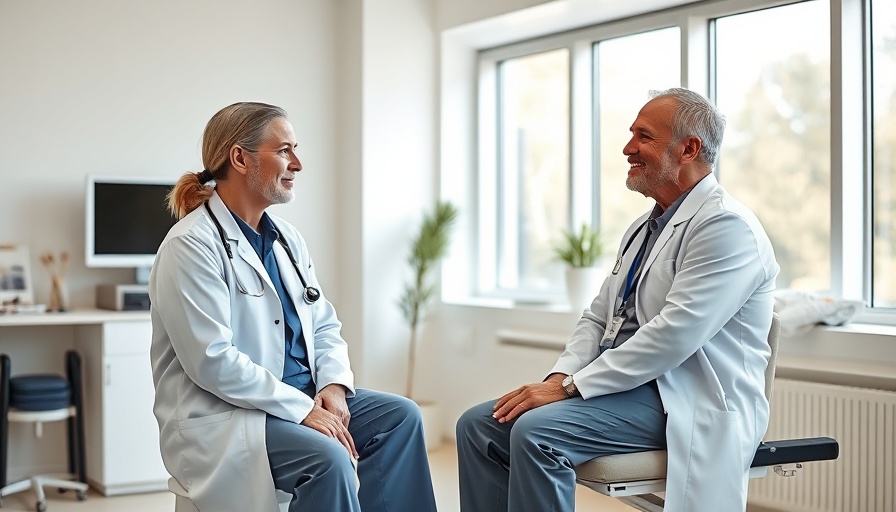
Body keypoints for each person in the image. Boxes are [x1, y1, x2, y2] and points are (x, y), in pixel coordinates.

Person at [456, 88, 779, 512]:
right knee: (479, 426)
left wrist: (571, 389)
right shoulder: (645, 228)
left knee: (537, 430)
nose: (628, 148)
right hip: (628, 389)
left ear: (689, 148)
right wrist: (559, 378)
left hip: (680, 398)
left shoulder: (727, 228)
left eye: (643, 136)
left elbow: (673, 336)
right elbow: (598, 318)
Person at [149, 102, 438, 512]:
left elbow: (322, 324)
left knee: (401, 417)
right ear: (239, 158)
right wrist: (304, 410)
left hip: (299, 397)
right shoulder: (190, 246)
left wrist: (333, 388)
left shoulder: (286, 238)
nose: (297, 163)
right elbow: (212, 361)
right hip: (235, 416)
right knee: (330, 458)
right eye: (284, 150)